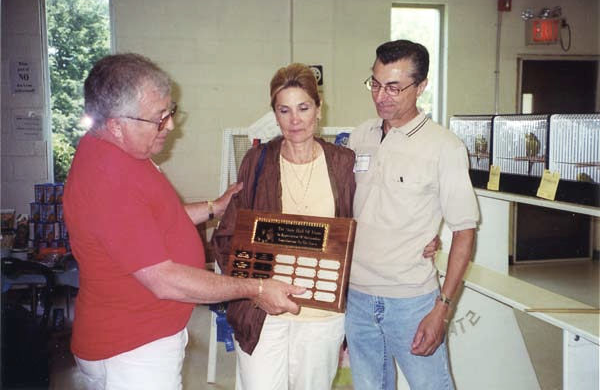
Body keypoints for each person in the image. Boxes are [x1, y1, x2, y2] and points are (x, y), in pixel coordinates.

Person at [63, 53, 305, 390]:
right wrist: (256, 288)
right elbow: (165, 280)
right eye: (158, 118)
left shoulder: (123, 152)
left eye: (169, 112)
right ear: (116, 124)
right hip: (131, 350)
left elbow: (156, 221)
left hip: (141, 339)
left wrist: (213, 207)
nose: (171, 125)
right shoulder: (109, 180)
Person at [211, 63, 356, 390]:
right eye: (284, 110)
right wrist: (254, 290)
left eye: (304, 108)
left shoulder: (343, 164)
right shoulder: (257, 161)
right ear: (274, 114)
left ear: (319, 110)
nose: (295, 120)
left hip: (321, 317)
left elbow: (362, 231)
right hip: (264, 312)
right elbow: (228, 236)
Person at [345, 39, 479, 389]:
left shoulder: (444, 147)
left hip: (411, 301)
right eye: (375, 83)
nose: (380, 96)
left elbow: (464, 231)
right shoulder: (360, 136)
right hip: (357, 297)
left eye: (394, 87)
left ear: (421, 86)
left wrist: (442, 308)